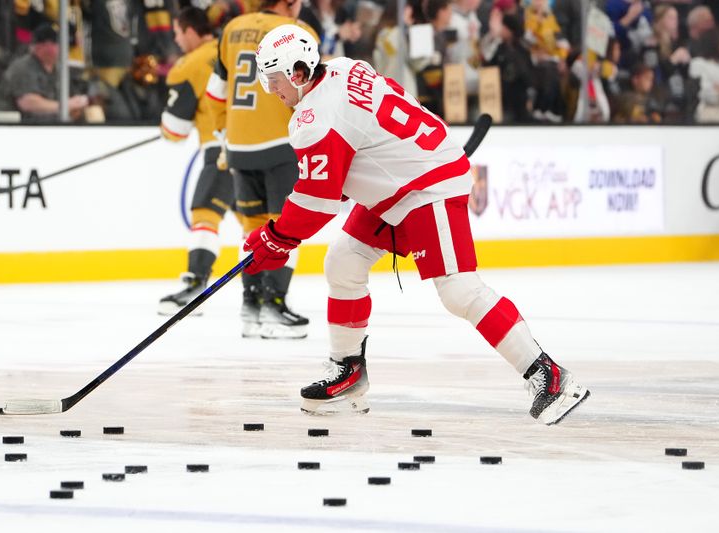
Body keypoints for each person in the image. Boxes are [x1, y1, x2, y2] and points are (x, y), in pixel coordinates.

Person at [244, 24, 591, 424]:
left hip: (427, 186)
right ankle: (348, 372)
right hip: (401, 181)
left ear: (299, 74)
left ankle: (549, 376)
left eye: (274, 81)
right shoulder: (342, 67)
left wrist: (276, 240)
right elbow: (364, 140)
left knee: (458, 290)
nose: (272, 91)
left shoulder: (312, 116)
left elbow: (317, 202)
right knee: (343, 260)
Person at [205, 0, 317, 339]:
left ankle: (250, 307)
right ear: (289, 3)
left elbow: (215, 91)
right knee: (286, 227)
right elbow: (313, 92)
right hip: (281, 143)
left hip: (239, 145)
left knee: (252, 228)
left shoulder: (232, 28)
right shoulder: (299, 33)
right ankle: (274, 305)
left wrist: (226, 133)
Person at [157, 7, 240, 315]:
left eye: (178, 32)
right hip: (256, 145)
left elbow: (175, 130)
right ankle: (266, 293)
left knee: (205, 214)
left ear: (190, 30)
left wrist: (168, 127)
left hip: (220, 149)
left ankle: (196, 285)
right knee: (253, 222)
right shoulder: (233, 49)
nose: (177, 40)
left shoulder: (188, 65)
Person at [0, 24, 89, 122]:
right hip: (13, 128)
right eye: (56, 43)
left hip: (47, 127)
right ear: (43, 46)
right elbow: (28, 103)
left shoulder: (57, 69)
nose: (61, 48)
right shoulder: (23, 67)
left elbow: (69, 98)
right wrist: (67, 105)